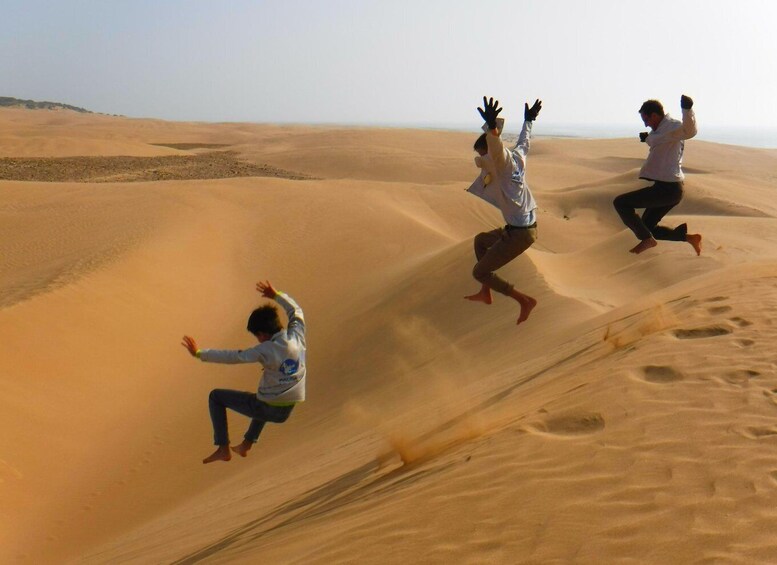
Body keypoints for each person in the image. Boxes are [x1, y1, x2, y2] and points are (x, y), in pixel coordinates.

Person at [181, 280, 306, 464]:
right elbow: (296, 311)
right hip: (288, 409)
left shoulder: (264, 349)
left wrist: (200, 354)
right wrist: (276, 295)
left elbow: (234, 356)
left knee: (216, 397)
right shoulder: (297, 334)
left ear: (262, 334)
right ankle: (246, 444)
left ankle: (223, 448)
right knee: (264, 395)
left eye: (257, 336)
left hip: (269, 407)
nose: (258, 340)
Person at [464, 95, 542, 325]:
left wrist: (492, 129)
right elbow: (524, 142)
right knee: (480, 241)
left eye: (481, 154)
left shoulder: (501, 161)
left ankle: (524, 300)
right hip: (520, 227)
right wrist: (528, 121)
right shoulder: (517, 157)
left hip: (521, 233)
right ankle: (486, 291)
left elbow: (495, 147)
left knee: (479, 271)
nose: (481, 159)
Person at [613, 94, 702, 255]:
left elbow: (689, 131)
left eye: (646, 120)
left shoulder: (673, 126)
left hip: (668, 189)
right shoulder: (661, 131)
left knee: (621, 203)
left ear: (654, 115)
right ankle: (689, 238)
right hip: (667, 188)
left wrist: (687, 110)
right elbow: (659, 139)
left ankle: (646, 240)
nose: (646, 124)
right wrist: (647, 138)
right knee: (648, 226)